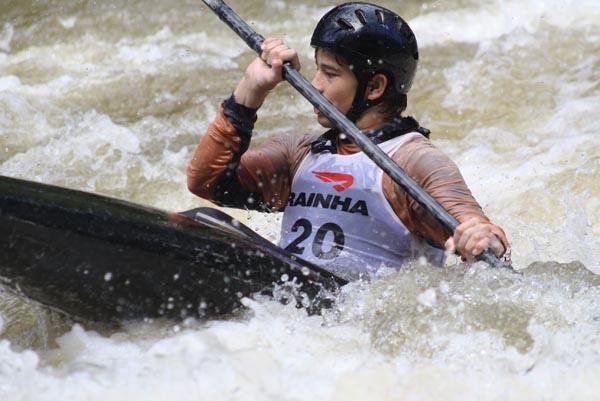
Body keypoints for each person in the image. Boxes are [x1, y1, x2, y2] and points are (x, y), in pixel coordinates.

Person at [187, 2, 510, 278]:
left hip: (349, 310)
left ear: (374, 87)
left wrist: (483, 237)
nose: (315, 85)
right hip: (287, 297)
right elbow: (208, 183)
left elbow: (476, 229)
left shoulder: (413, 161)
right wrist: (250, 90)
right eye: (316, 71)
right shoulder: (299, 153)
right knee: (201, 223)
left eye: (330, 73)